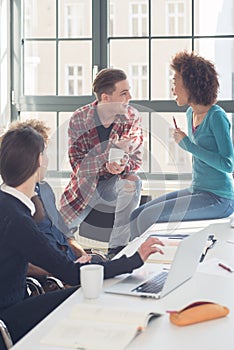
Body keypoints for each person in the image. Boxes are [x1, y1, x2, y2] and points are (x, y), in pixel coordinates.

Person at [0, 126, 164, 348]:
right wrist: (135, 260)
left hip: (15, 302)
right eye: (45, 153)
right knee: (85, 293)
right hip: (8, 318)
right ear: (38, 161)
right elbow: (71, 273)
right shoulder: (18, 219)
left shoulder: (9, 206)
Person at [130, 50, 234, 237]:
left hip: (220, 198)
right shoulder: (190, 114)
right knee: (136, 215)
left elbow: (228, 164)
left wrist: (188, 145)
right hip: (197, 189)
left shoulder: (216, 116)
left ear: (190, 85)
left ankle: (141, 262)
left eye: (174, 81)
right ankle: (128, 262)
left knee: (147, 218)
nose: (172, 89)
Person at [60, 68, 143, 258]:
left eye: (129, 91)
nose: (130, 96)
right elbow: (78, 167)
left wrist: (122, 166)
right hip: (84, 186)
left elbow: (136, 159)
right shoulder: (80, 119)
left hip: (114, 185)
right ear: (106, 97)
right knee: (58, 235)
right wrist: (107, 159)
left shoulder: (132, 117)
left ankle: (117, 250)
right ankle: (69, 267)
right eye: (123, 93)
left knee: (133, 180)